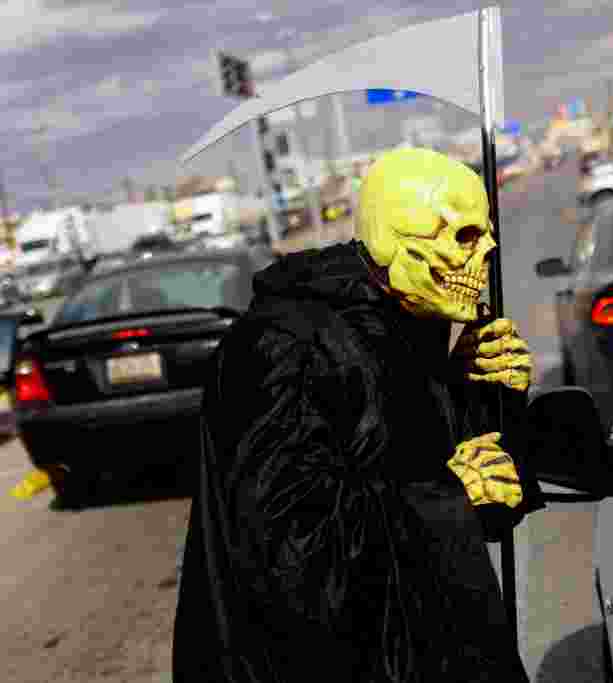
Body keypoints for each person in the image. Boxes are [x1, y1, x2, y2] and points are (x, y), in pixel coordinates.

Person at [173, 147, 544, 682]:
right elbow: (293, 559)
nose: (487, 250)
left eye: (486, 233)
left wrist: (487, 397)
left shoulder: (410, 322)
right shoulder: (283, 349)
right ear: (395, 246)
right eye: (464, 236)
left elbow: (478, 506)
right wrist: (448, 498)